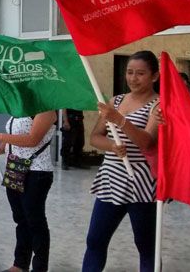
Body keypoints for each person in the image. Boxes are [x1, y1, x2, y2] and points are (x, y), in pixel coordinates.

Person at [82, 50, 160, 272]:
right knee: (95, 241)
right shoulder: (114, 101)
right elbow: (95, 137)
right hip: (110, 180)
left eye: (140, 73)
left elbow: (147, 142)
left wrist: (120, 120)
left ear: (154, 76)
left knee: (147, 248)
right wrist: (112, 147)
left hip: (142, 183)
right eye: (129, 72)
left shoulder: (159, 105)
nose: (133, 78)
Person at [0, 110, 57, 272]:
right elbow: (15, 141)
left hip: (37, 171)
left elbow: (32, 140)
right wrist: (0, 148)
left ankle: (39, 267)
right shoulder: (20, 109)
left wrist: (0, 137)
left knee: (35, 222)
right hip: (15, 166)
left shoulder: (46, 109)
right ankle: (20, 264)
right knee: (21, 219)